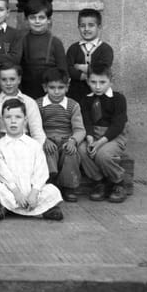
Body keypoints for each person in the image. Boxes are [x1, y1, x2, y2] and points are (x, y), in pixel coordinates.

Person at [0, 99, 64, 220]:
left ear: (25, 120)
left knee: (52, 191)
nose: (13, 121)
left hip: (32, 190)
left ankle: (15, 208)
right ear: (2, 120)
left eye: (18, 117)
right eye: (8, 117)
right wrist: (16, 193)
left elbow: (41, 171)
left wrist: (34, 192)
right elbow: (2, 173)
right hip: (11, 191)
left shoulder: (34, 145)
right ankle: (35, 210)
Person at [78, 65, 129, 203]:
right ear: (87, 81)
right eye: (93, 82)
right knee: (82, 150)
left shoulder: (118, 99)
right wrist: (90, 139)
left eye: (102, 82)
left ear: (111, 81)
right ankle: (99, 182)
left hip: (113, 136)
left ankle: (118, 181)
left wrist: (100, 143)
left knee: (103, 155)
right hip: (93, 135)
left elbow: (118, 125)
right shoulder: (86, 100)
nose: (98, 87)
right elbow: (86, 121)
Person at [37, 68, 84, 203]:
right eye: (52, 88)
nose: (56, 92)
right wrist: (44, 140)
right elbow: (35, 127)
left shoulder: (73, 105)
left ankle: (69, 187)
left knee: (71, 154)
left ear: (67, 87)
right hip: (47, 139)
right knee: (47, 152)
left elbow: (79, 129)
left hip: (66, 140)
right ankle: (50, 183)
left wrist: (73, 141)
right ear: (45, 88)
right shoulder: (38, 104)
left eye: (61, 87)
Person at [19, 0, 66, 99]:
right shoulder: (21, 41)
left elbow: (63, 71)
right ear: (26, 20)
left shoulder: (56, 42)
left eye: (41, 17)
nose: (37, 21)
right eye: (32, 18)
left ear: (48, 20)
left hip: (51, 94)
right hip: (26, 92)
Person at [0, 64, 46, 146]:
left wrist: (38, 149)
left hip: (26, 143)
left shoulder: (29, 102)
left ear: (19, 79)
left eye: (12, 79)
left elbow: (37, 131)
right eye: (4, 79)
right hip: (2, 143)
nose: (8, 83)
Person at [66, 8, 114, 102]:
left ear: (99, 27)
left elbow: (103, 68)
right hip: (75, 91)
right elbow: (68, 68)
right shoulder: (73, 48)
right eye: (82, 26)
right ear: (78, 27)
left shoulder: (106, 49)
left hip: (99, 89)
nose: (86, 29)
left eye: (91, 25)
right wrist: (84, 75)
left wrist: (80, 67)